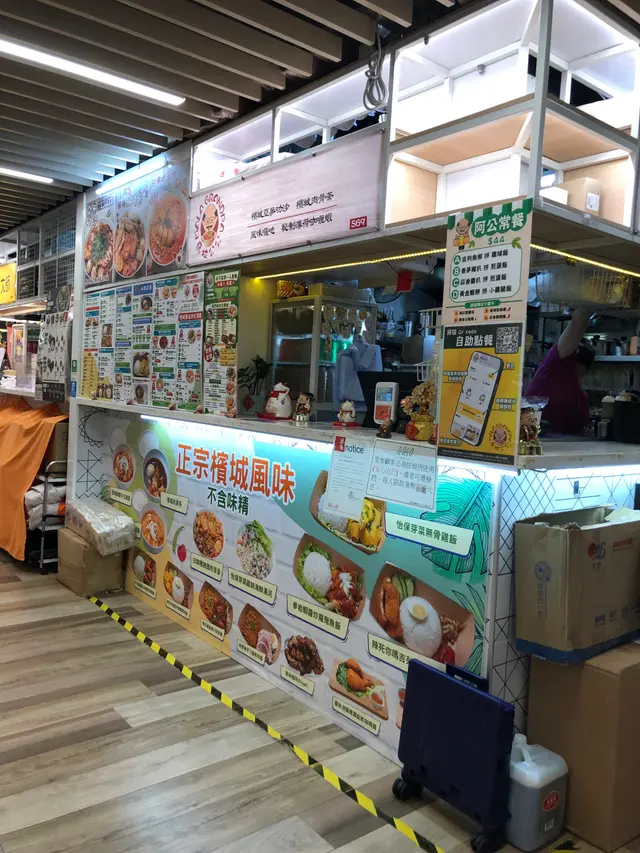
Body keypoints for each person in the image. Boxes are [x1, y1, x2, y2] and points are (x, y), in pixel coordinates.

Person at [525, 308, 595, 434]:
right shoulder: (555, 363)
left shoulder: (580, 396)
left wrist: (588, 310)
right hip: (533, 435)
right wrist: (587, 307)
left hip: (558, 440)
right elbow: (576, 325)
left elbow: (577, 326)